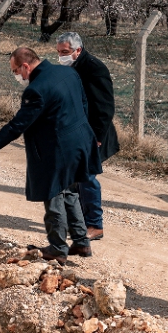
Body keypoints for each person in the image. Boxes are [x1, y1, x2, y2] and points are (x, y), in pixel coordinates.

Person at [0, 48, 101, 264]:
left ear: (26, 66)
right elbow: (84, 104)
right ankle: (81, 242)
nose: (18, 77)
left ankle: (58, 247)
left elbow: (17, 126)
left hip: (58, 149)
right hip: (80, 141)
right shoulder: (67, 73)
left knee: (54, 195)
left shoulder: (36, 90)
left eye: (16, 71)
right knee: (70, 191)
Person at [56, 32, 119, 242]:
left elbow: (105, 107)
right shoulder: (70, 67)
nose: (61, 56)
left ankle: (94, 225)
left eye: (65, 52)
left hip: (92, 133)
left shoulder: (94, 69)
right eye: (59, 52)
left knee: (86, 176)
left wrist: (97, 137)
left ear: (78, 50)